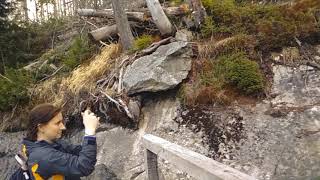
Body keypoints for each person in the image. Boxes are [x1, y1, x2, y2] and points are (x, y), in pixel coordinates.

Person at [21, 103, 100, 180]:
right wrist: (90, 132)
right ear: (41, 127)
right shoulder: (44, 156)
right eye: (57, 123)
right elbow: (84, 167)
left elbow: (81, 152)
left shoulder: (49, 143)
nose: (63, 127)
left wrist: (89, 123)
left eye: (61, 122)